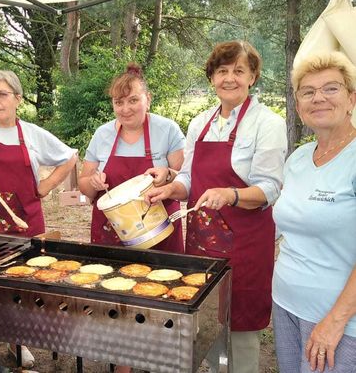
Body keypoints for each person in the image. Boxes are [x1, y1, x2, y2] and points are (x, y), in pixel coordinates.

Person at [146, 41, 287, 373]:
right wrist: (170, 189)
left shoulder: (267, 123)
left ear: (253, 76)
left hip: (245, 246)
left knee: (240, 332)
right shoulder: (199, 123)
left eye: (239, 70)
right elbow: (189, 180)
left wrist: (232, 194)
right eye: (222, 71)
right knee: (207, 327)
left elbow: (270, 188)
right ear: (212, 78)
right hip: (201, 245)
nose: (229, 78)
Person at [272, 51, 356, 373]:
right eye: (308, 91)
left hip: (338, 320)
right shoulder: (298, 158)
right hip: (285, 304)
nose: (318, 97)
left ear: (351, 99)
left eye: (330, 88)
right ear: (298, 104)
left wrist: (335, 321)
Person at [0, 69, 77, 239]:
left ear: (18, 99)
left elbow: (70, 157)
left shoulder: (32, 133)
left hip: (27, 225)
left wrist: (48, 184)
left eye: (2, 94)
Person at [78, 62, 186, 252]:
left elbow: (185, 180)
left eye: (133, 100)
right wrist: (93, 182)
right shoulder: (102, 134)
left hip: (158, 233)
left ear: (148, 99)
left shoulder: (167, 130)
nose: (125, 109)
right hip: (111, 235)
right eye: (118, 102)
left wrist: (168, 174)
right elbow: (85, 186)